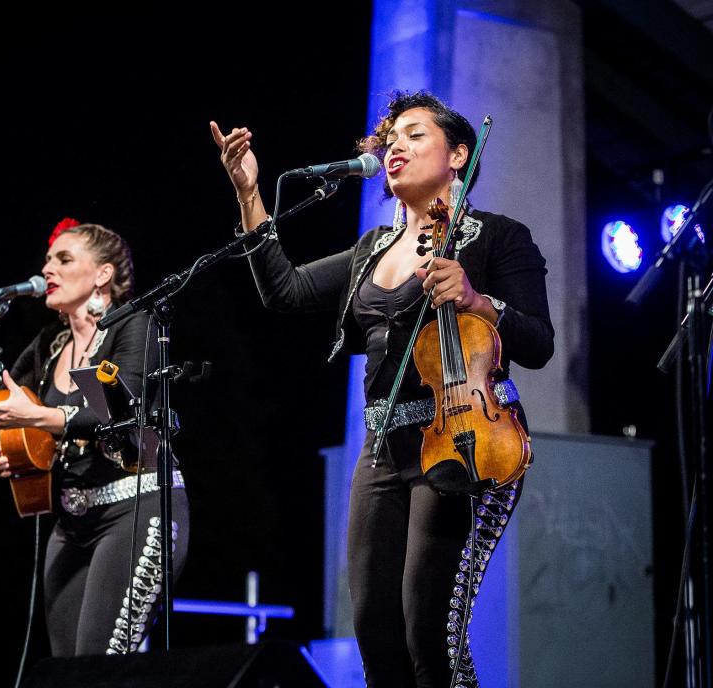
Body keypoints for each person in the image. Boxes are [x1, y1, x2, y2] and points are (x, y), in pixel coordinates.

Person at [210, 91, 554, 687]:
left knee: (429, 626)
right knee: (373, 626)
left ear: (458, 155)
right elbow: (283, 291)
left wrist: (477, 300)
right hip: (381, 453)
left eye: (416, 135)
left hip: (464, 439)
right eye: (391, 137)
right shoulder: (371, 248)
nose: (396, 145)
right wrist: (249, 195)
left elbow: (539, 342)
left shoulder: (499, 238)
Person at [0, 218, 190, 657]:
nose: (48, 268)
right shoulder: (48, 346)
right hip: (71, 522)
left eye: (63, 259)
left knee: (100, 663)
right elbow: (5, 410)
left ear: (103, 274)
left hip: (137, 508)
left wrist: (37, 416)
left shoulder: (135, 326)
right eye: (48, 259)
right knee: (65, 669)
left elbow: (116, 410)